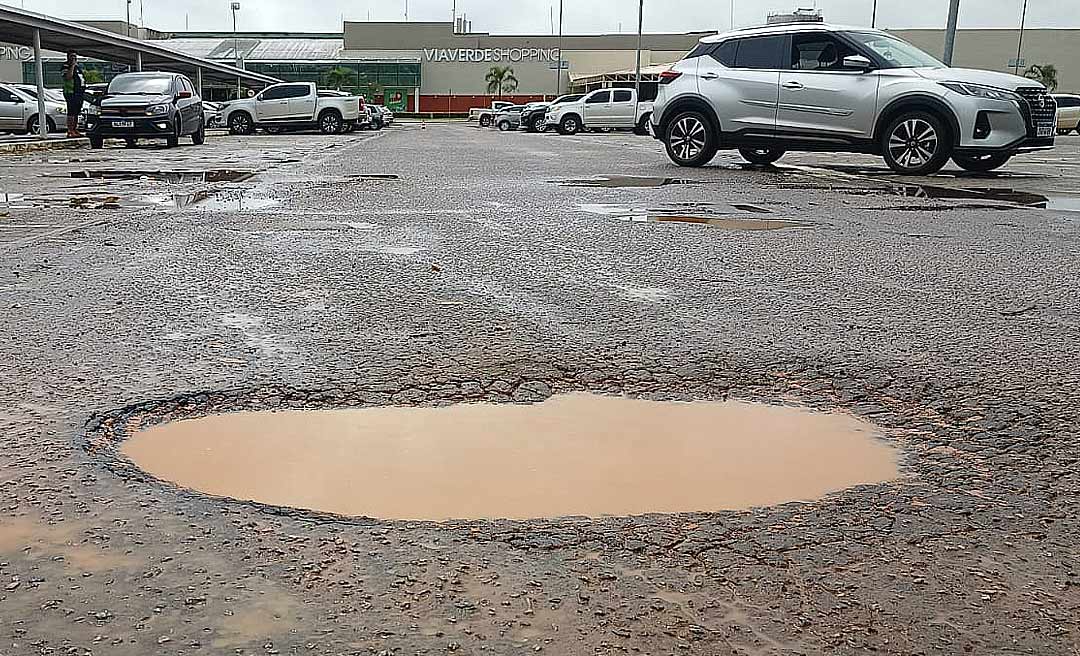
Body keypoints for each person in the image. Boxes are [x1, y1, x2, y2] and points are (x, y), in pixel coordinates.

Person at [61, 52, 86, 138]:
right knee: (71, 111)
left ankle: (75, 129)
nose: (73, 58)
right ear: (68, 57)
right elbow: (68, 77)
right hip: (71, 92)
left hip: (79, 92)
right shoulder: (66, 66)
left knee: (76, 112)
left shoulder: (78, 67)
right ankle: (70, 130)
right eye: (72, 56)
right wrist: (72, 65)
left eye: (75, 56)